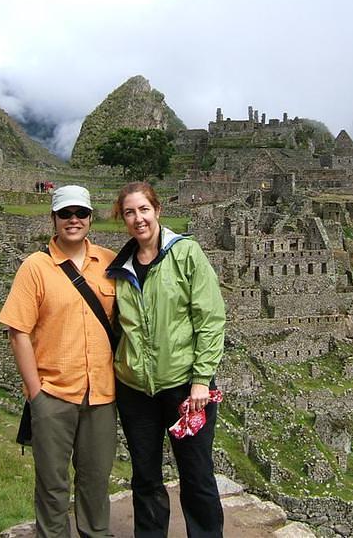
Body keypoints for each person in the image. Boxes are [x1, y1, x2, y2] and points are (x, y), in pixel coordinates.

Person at [107, 181, 226, 537]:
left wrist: (202, 379)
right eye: (130, 212)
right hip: (135, 391)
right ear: (122, 218)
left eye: (144, 209)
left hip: (185, 390)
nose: (138, 218)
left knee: (197, 473)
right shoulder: (120, 270)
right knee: (145, 476)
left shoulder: (186, 253)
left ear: (157, 211)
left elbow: (210, 318)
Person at [0, 185, 117, 538]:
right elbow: (18, 331)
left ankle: (96, 533)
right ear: (53, 219)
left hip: (101, 394)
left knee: (96, 480)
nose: (73, 220)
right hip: (54, 393)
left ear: (90, 218)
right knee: (52, 483)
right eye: (65, 214)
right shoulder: (35, 267)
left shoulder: (109, 263)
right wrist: (36, 393)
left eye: (80, 213)